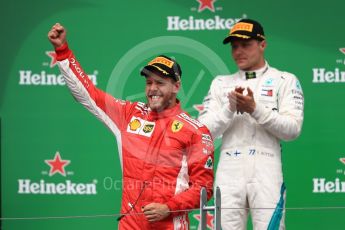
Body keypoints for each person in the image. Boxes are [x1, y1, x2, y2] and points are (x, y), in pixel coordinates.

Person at [48, 23, 214, 229]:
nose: (152, 89)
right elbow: (88, 94)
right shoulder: (130, 114)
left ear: (176, 86)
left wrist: (168, 207)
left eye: (160, 83)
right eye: (149, 82)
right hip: (129, 225)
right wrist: (63, 51)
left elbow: (204, 188)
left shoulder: (195, 131)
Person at [198, 19, 304, 230]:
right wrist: (229, 109)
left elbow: (292, 130)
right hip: (228, 170)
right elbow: (203, 132)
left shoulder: (285, 80)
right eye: (234, 46)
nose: (238, 51)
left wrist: (255, 109)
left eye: (245, 45)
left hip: (267, 169)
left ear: (262, 44)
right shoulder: (220, 83)